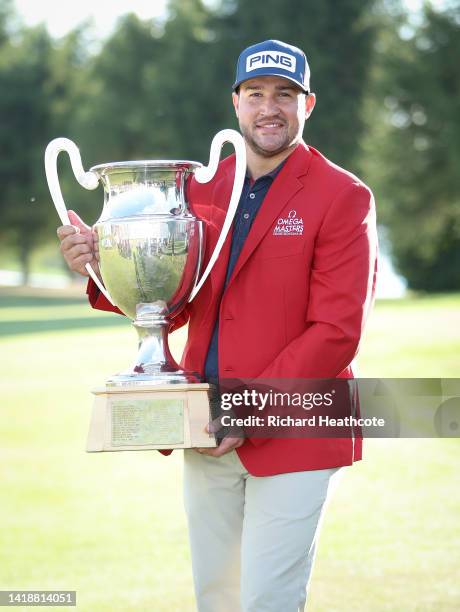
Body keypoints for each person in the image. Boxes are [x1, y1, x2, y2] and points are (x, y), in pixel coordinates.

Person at [57, 39, 378, 612]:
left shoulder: (343, 196)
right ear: (236, 103)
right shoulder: (201, 188)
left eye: (285, 94)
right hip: (205, 431)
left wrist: (248, 410)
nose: (269, 107)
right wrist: (102, 264)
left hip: (294, 431)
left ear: (309, 105)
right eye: (255, 94)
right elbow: (173, 301)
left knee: (267, 601)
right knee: (217, 599)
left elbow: (337, 330)